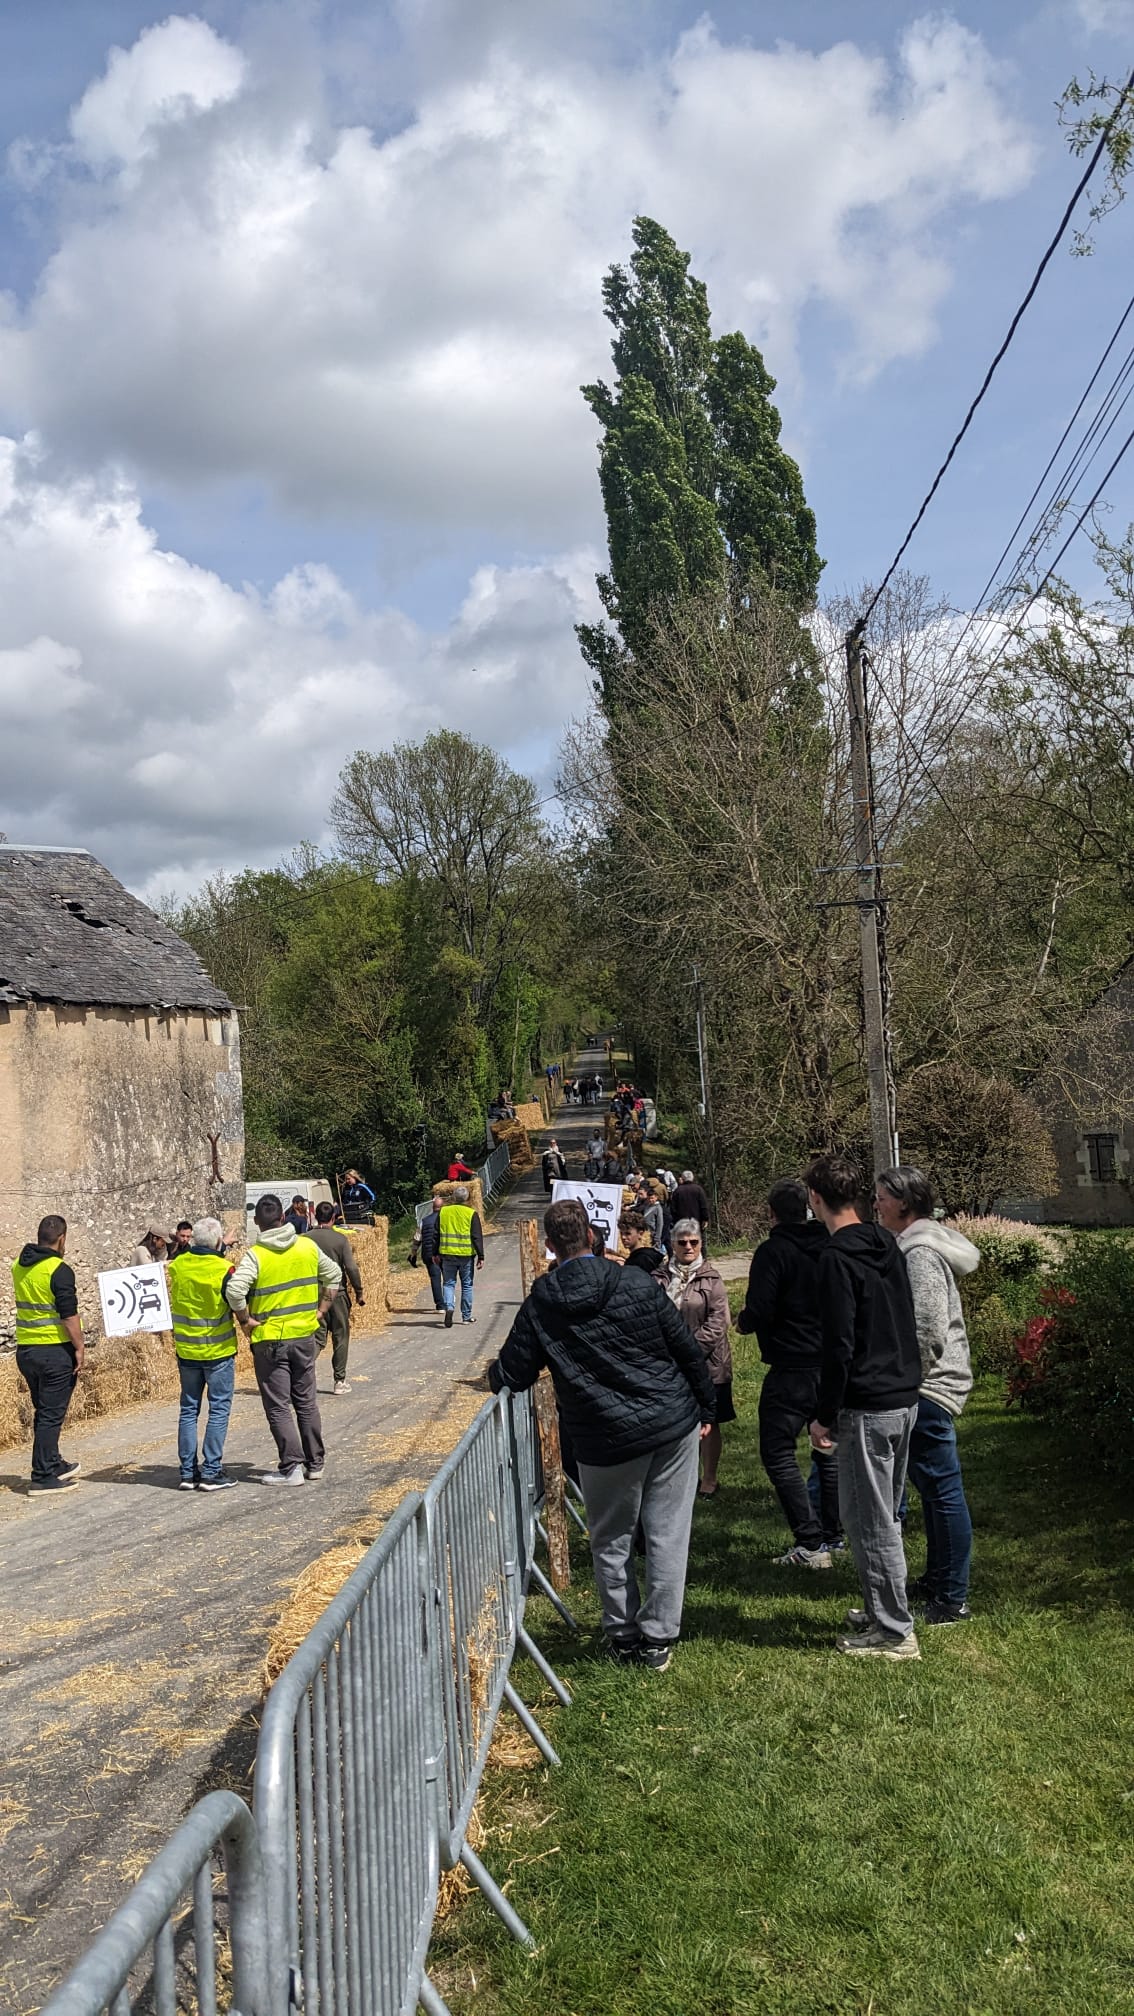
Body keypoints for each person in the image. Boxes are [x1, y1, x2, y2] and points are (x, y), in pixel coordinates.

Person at [486, 1198, 717, 1671]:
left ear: (550, 1247)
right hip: (670, 1421)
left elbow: (512, 1373)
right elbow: (684, 1347)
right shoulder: (635, 1282)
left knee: (611, 1539)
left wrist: (493, 1372)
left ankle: (624, 1632)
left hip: (605, 1437)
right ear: (594, 1237)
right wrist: (705, 1406)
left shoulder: (542, 1304)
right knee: (668, 1533)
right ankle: (658, 1639)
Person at [806, 1154, 921, 1661]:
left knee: (869, 1520)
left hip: (868, 1404)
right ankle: (881, 1609)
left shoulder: (836, 1258)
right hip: (902, 1394)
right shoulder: (887, 1244)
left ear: (816, 1199)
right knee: (882, 1516)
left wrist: (824, 1414)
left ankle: (895, 1632)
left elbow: (839, 1345)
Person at [875, 1167, 979, 1624]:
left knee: (942, 1490)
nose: (875, 1204)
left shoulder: (918, 1252)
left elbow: (927, 1329)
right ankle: (938, 1580)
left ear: (903, 1203)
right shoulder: (915, 1245)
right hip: (924, 1383)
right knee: (933, 1490)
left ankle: (952, 1598)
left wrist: (902, 1377)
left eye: (880, 1197)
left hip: (928, 1387)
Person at [736, 1178, 839, 1567]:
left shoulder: (773, 1251)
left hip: (792, 1366)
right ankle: (833, 1533)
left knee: (777, 1450)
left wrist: (744, 1322)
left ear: (771, 1214)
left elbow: (760, 1307)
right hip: (829, 1363)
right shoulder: (829, 1245)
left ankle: (810, 1540)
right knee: (825, 1446)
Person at [225, 1193, 341, 1485]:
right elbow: (334, 1275)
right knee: (306, 1402)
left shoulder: (256, 1255)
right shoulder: (307, 1246)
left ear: (256, 1223)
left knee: (278, 1406)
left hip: (270, 1342)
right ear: (284, 1217)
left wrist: (245, 1320)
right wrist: (322, 1309)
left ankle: (291, 1467)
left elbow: (234, 1292)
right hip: (304, 1335)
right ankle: (315, 1463)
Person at [11, 1213, 84, 1494]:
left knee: (45, 1411)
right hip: (54, 1352)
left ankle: (52, 1462)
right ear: (62, 1238)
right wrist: (79, 1347)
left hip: (27, 1350)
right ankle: (42, 1476)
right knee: (51, 1416)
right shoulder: (59, 1270)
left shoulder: (19, 1264)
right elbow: (69, 1316)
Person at [167, 1217, 239, 1491]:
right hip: (218, 1350)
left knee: (189, 1410)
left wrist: (221, 1247)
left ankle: (187, 1473)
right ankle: (211, 1471)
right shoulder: (225, 1268)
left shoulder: (178, 1267)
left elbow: (198, 1262)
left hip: (187, 1350)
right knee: (218, 1409)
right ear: (219, 1241)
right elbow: (232, 1296)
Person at [665, 1220, 733, 1496]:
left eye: (693, 1242)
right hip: (669, 1364)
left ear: (701, 1244)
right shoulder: (660, 1276)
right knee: (675, 1420)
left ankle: (709, 1477)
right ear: (673, 1245)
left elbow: (719, 1322)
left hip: (708, 1363)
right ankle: (681, 1477)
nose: (688, 1247)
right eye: (682, 1242)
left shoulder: (711, 1278)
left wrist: (689, 1351)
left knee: (710, 1420)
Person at [309, 1202, 366, 1396]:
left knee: (317, 1337)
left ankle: (301, 1372)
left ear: (316, 1217)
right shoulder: (340, 1239)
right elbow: (351, 1268)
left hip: (312, 1293)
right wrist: (358, 1291)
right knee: (341, 1335)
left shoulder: (304, 1239)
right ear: (333, 1218)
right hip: (337, 1293)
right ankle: (339, 1380)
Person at [438, 1183, 485, 1327]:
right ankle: (466, 1316)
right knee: (467, 1285)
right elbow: (476, 1236)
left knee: (448, 1283)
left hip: (447, 1254)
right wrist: (481, 1256)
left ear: (453, 1197)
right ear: (467, 1198)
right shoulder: (471, 1213)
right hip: (466, 1256)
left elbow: (436, 1234)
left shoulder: (443, 1212)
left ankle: (449, 1306)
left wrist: (435, 1252)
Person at [419, 1197, 445, 1312]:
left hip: (429, 1254)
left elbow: (417, 1238)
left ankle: (440, 1305)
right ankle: (449, 1300)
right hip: (445, 1253)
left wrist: (413, 1252)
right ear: (443, 1207)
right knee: (448, 1278)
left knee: (435, 1279)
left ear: (432, 1207)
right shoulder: (446, 1220)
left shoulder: (424, 1221)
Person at [671, 1171, 711, 1238]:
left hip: (682, 1221)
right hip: (697, 1221)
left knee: (684, 1240)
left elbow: (673, 1208)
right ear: (692, 1178)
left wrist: (675, 1220)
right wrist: (705, 1218)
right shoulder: (699, 1189)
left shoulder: (677, 1191)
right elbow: (703, 1206)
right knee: (698, 1240)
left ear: (682, 1179)